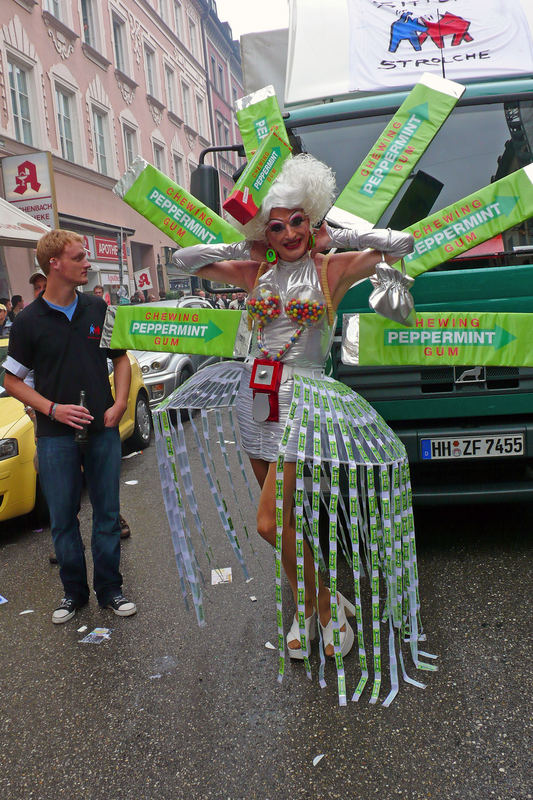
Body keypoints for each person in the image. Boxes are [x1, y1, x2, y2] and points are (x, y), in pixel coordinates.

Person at [160, 154, 432, 703]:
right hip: (254, 400)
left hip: (303, 404)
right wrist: (246, 245)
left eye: (297, 221)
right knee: (287, 518)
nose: (287, 233)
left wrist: (338, 235)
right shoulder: (255, 271)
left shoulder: (331, 269)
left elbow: (400, 243)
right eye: (276, 224)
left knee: (266, 521)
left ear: (312, 219)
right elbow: (180, 260)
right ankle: (310, 599)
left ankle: (324, 604)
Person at [4, 229, 136, 624]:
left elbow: (122, 359)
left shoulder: (98, 308)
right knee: (62, 518)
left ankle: (110, 589)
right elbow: (11, 380)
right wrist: (52, 409)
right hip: (54, 436)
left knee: (108, 515)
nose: (87, 264)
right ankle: (72, 593)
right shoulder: (27, 321)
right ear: (55, 265)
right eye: (79, 257)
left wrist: (120, 402)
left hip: (103, 430)